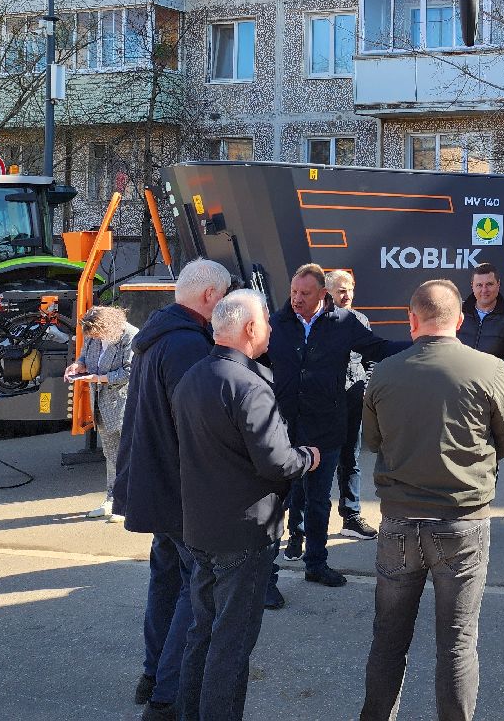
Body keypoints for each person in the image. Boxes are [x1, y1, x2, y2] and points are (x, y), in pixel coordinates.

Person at [359, 279, 504, 721]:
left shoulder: (385, 372)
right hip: (461, 523)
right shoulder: (489, 368)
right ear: (461, 319)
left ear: (411, 321)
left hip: (397, 522)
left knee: (388, 638)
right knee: (457, 643)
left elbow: (373, 442)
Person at [172, 290, 319, 721]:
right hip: (243, 533)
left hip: (200, 527)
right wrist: (307, 457)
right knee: (230, 642)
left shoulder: (193, 377)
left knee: (202, 632)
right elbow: (276, 462)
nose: (272, 330)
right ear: (250, 329)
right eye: (267, 324)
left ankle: (189, 712)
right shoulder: (250, 387)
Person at [113, 258, 232, 721]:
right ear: (208, 297)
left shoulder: (157, 335)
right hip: (180, 489)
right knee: (193, 588)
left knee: (165, 581)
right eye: (222, 298)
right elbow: (199, 423)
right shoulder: (186, 345)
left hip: (155, 484)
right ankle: (167, 695)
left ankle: (153, 672)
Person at [270, 263, 404, 588]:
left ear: (322, 295)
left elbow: (379, 348)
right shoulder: (275, 323)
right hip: (281, 432)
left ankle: (316, 563)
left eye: (305, 293)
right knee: (272, 506)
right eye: (293, 292)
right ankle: (265, 579)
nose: (297, 299)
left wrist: (425, 343)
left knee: (318, 501)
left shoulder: (343, 323)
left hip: (325, 431)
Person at [66, 304, 138, 521]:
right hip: (101, 402)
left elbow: (129, 371)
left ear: (108, 326)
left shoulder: (130, 335)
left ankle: (129, 504)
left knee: (130, 454)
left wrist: (97, 379)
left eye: (97, 334)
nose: (94, 338)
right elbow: (84, 358)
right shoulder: (92, 335)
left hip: (125, 402)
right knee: (110, 453)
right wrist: (77, 367)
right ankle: (111, 500)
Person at [327, 269, 377, 540]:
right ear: (329, 293)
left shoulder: (361, 320)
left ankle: (351, 516)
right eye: (340, 290)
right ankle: (303, 529)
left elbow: (370, 359)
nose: (346, 295)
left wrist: (366, 388)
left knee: (351, 459)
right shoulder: (320, 321)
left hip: (353, 399)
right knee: (319, 461)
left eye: (349, 289)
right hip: (325, 403)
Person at [458, 262, 504, 401]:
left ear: (498, 285)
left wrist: (493, 367)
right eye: (479, 285)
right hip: (461, 393)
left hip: (493, 395)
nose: (484, 290)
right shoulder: (457, 315)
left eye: (489, 284)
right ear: (472, 286)